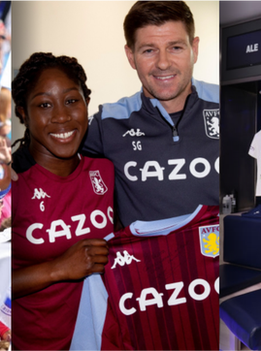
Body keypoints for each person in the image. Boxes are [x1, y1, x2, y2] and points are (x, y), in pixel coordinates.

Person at [79, 0, 220, 227]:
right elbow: (48, 151)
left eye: (175, 47)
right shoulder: (108, 123)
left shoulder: (232, 105)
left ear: (194, 49)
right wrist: (14, 167)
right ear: (131, 56)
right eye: (149, 50)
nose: (163, 63)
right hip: (145, 261)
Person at [11, 52, 114, 350]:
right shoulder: (11, 183)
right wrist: (57, 269)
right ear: (22, 113)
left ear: (86, 103)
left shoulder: (105, 170)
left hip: (102, 339)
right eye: (44, 105)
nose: (61, 116)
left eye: (71, 101)